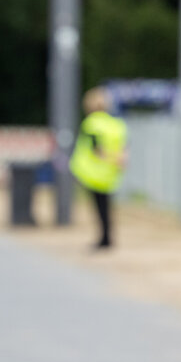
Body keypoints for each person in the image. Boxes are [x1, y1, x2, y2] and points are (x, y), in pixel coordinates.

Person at [68, 86, 128, 249]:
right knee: (107, 207)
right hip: (111, 173)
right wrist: (117, 161)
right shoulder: (116, 124)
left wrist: (107, 159)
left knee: (99, 208)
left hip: (94, 174)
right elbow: (123, 150)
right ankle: (107, 237)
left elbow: (96, 149)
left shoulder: (92, 123)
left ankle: (104, 239)